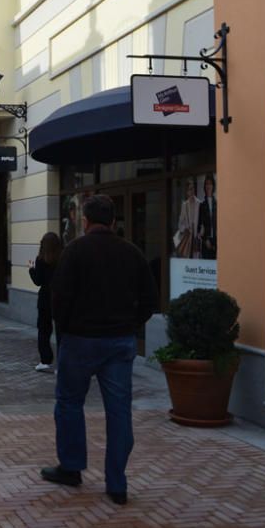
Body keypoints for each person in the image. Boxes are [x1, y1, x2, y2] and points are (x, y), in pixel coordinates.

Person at [41, 194, 158, 506]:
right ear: (114, 221)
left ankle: (71, 467)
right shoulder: (132, 253)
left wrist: (64, 331)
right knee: (119, 412)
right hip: (119, 342)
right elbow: (150, 299)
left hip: (79, 339)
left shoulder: (74, 252)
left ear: (85, 221)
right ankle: (117, 484)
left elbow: (59, 298)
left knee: (68, 403)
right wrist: (131, 324)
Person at [28, 231, 63, 373]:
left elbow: (38, 281)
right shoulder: (63, 258)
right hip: (60, 297)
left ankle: (45, 360)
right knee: (61, 332)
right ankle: (61, 364)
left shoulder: (40, 260)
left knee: (43, 330)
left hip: (44, 299)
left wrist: (31, 269)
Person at [175, 179, 201, 258]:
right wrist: (185, 228)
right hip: (188, 236)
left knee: (196, 258)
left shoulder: (199, 203)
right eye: (189, 189)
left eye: (192, 188)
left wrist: (200, 232)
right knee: (187, 258)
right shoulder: (184, 205)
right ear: (187, 192)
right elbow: (180, 223)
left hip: (197, 236)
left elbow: (202, 221)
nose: (191, 191)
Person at [198, 175, 217, 260]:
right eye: (207, 184)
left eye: (210, 184)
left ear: (213, 186)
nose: (208, 186)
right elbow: (200, 225)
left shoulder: (217, 204)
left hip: (216, 241)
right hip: (206, 242)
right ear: (205, 187)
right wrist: (205, 240)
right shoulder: (202, 205)